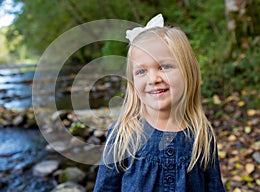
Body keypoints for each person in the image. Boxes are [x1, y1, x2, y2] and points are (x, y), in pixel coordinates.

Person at [93, 13, 225, 192]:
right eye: (141, 71)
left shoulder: (202, 135)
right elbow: (105, 188)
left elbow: (214, 187)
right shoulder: (123, 134)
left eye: (164, 67)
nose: (153, 78)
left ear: (188, 72)